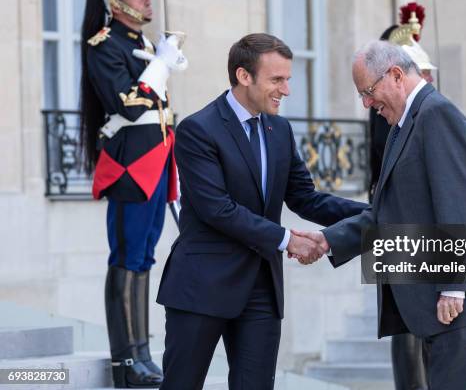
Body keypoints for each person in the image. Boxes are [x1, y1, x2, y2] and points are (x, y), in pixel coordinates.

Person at [293, 40, 466, 390]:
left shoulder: (436, 116)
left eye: (368, 92)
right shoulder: (407, 124)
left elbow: (460, 205)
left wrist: (453, 288)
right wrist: (328, 239)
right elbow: (390, 214)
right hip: (445, 309)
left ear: (397, 75)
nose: (367, 104)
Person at [156, 33, 367, 390]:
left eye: (287, 79)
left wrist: (377, 212)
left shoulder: (279, 129)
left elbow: (305, 199)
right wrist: (287, 240)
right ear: (244, 76)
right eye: (277, 80)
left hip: (261, 289)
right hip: (202, 285)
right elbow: (217, 209)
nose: (285, 90)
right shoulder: (197, 129)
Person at [80, 0, 187, 387]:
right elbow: (126, 102)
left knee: (143, 256)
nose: (147, 1)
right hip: (129, 165)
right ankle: (124, 361)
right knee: (126, 255)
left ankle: (141, 352)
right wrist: (159, 66)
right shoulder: (104, 44)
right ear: (116, 3)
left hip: (156, 159)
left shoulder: (139, 42)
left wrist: (163, 61)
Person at [368, 2, 437, 390]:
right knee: (404, 312)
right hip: (399, 214)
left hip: (424, 220)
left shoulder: (428, 109)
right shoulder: (391, 108)